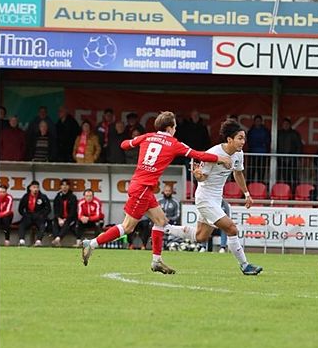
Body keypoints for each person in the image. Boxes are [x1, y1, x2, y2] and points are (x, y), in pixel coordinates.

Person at [81, 111, 232, 274]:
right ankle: (92, 243)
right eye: (174, 126)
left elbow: (124, 145)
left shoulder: (147, 137)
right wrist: (220, 158)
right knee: (128, 227)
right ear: (169, 128)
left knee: (160, 221)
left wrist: (133, 142)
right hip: (142, 189)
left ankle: (157, 261)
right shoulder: (174, 143)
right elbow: (198, 154)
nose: (175, 129)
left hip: (141, 187)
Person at [164, 119, 263, 275]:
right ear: (229, 139)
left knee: (201, 236)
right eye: (240, 138)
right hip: (205, 198)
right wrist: (197, 175)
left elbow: (238, 173)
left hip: (216, 199)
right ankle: (245, 265)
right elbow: (202, 178)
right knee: (231, 228)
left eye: (244, 138)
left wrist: (247, 194)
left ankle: (165, 228)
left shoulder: (239, 154)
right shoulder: (213, 153)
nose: (243, 142)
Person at [139, 183, 181, 250]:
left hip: (170, 222)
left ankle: (168, 245)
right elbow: (151, 212)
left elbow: (177, 215)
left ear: (171, 192)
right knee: (146, 225)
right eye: (166, 191)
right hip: (157, 221)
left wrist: (169, 219)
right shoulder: (158, 201)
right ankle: (144, 245)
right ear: (163, 191)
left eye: (169, 191)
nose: (167, 193)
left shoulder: (175, 202)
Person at [17, 180, 51, 246]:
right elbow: (20, 209)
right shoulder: (26, 196)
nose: (36, 189)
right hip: (28, 216)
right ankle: (21, 240)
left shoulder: (43, 197)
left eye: (37, 187)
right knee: (22, 225)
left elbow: (48, 209)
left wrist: (43, 215)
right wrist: (25, 215)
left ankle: (38, 241)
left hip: (39, 216)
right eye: (34, 187)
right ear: (30, 188)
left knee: (42, 225)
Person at [49, 180, 79, 246]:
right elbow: (55, 209)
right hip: (60, 218)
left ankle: (58, 239)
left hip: (70, 218)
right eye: (63, 185)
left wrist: (65, 219)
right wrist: (59, 219)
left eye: (66, 185)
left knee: (67, 223)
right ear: (60, 186)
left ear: (68, 186)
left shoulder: (73, 197)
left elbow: (73, 211)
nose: (64, 187)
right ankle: (57, 239)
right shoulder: (58, 197)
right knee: (54, 222)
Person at [276, 117, 303, 186]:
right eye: (284, 124)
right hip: (282, 159)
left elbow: (299, 146)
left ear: (290, 125)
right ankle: (288, 189)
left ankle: (294, 190)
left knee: (294, 176)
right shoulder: (279, 134)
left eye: (287, 124)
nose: (285, 125)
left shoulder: (294, 134)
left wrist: (297, 156)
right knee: (285, 176)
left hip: (292, 159)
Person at [245, 114, 270, 183]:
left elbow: (267, 141)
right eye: (256, 121)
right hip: (252, 154)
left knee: (261, 172)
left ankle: (260, 187)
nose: (258, 122)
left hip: (263, 154)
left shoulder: (265, 130)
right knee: (251, 172)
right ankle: (248, 187)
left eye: (259, 121)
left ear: (261, 121)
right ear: (254, 121)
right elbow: (249, 142)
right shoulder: (251, 131)